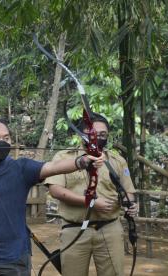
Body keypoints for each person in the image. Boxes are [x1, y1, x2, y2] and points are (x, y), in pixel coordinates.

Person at [0, 117, 104, 276]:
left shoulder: (22, 168)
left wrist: (82, 161)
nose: (2, 142)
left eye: (6, 138)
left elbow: (54, 166)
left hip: (11, 258)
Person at [45, 113, 138, 276]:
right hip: (75, 228)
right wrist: (90, 202)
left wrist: (130, 204)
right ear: (82, 134)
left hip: (110, 228)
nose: (98, 138)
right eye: (93, 134)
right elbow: (56, 190)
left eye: (103, 135)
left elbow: (128, 191)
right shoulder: (64, 157)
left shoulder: (116, 160)